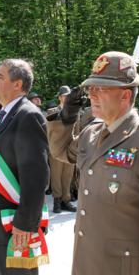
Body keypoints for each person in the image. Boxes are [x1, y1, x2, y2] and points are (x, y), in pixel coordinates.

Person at [47, 51, 139, 275]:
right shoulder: (91, 133)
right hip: (87, 258)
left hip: (123, 265)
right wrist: (67, 116)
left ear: (126, 96)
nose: (93, 95)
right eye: (91, 89)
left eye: (102, 89)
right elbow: (61, 151)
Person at [0, 59, 49, 275]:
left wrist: (26, 223)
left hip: (14, 226)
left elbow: (36, 177)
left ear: (17, 84)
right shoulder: (1, 115)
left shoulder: (28, 115)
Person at [47, 86, 76, 214]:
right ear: (60, 97)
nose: (67, 98)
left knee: (68, 175)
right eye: (64, 96)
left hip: (70, 148)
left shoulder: (75, 111)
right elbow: (49, 131)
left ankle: (66, 199)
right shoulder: (53, 112)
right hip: (56, 148)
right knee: (56, 175)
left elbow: (78, 129)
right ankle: (57, 201)